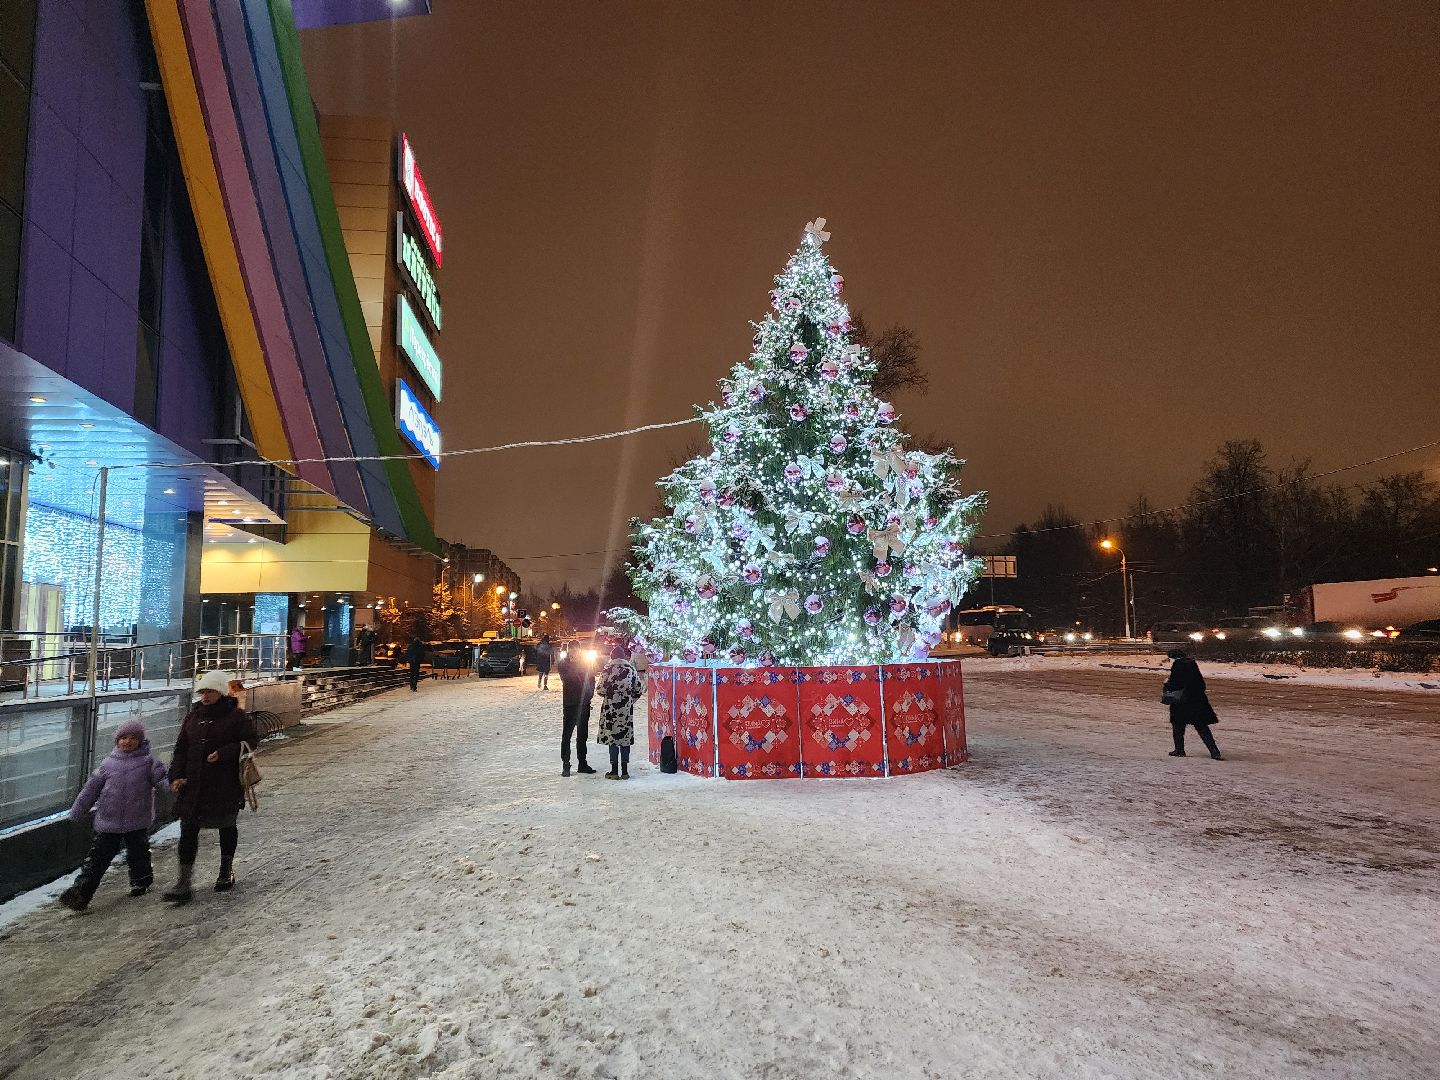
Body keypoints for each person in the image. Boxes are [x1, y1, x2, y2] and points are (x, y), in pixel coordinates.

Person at [163, 670, 258, 903]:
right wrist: (175, 775)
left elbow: (251, 741)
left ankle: (225, 870)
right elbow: (181, 749)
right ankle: (183, 882)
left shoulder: (235, 716)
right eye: (202, 692)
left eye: (210, 691)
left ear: (221, 692)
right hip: (193, 784)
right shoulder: (193, 717)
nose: (205, 696)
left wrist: (225, 753)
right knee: (188, 830)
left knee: (226, 825)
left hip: (223, 783)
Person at [58, 720, 171, 911]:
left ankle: (141, 880)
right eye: (124, 738)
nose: (127, 742)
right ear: (117, 741)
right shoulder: (107, 764)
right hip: (109, 821)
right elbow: (90, 790)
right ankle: (81, 892)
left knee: (139, 853)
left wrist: (175, 787)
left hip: (137, 820)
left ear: (141, 741)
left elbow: (162, 780)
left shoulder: (149, 763)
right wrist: (78, 810)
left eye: (133, 738)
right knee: (97, 859)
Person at [1163, 648, 1223, 759]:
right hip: (1197, 702)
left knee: (1178, 726)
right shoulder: (1192, 665)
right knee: (1202, 727)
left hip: (1181, 702)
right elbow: (1201, 684)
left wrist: (1167, 683)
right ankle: (1214, 751)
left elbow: (1175, 684)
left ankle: (1179, 750)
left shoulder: (1177, 666)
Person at [596, 642, 642, 780]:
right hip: (626, 708)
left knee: (613, 738)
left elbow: (600, 689)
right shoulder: (631, 669)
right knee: (625, 737)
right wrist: (629, 700)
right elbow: (638, 689)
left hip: (611, 708)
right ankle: (625, 771)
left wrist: (611, 696)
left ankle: (614, 770)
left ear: (612, 656)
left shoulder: (607, 669)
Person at [557, 644, 597, 777]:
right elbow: (567, 678)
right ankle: (566, 764)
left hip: (584, 704)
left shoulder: (585, 663)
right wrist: (574, 664)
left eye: (577, 650)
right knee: (567, 735)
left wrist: (590, 693)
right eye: (572, 650)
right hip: (570, 704)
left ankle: (582, 763)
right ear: (569, 651)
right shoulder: (564, 664)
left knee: (582, 735)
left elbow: (591, 678)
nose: (575, 653)